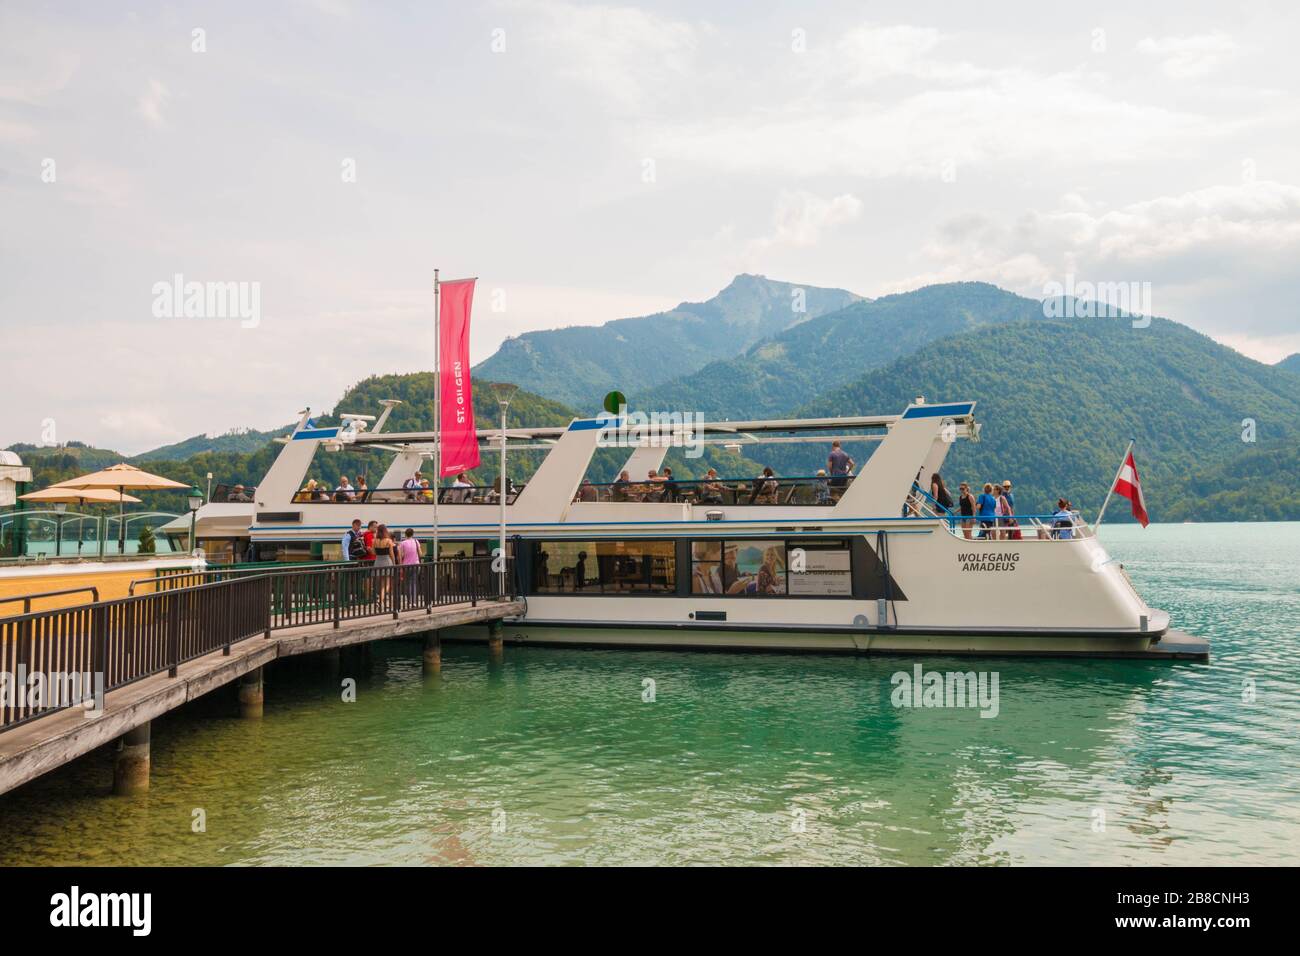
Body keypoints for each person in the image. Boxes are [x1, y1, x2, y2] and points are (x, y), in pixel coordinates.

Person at [372, 523, 397, 604]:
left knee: (382, 583)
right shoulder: (388, 541)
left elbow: (374, 552)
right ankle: (380, 600)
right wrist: (394, 564)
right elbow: (391, 554)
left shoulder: (374, 541)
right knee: (387, 584)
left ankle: (380, 599)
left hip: (378, 561)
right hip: (387, 561)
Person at [398, 527, 422, 600]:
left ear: (405, 534)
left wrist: (400, 564)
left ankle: (409, 600)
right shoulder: (416, 541)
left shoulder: (402, 543)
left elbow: (401, 555)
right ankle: (414, 600)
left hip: (406, 565)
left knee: (407, 583)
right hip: (416, 564)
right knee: (414, 582)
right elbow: (420, 554)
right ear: (412, 534)